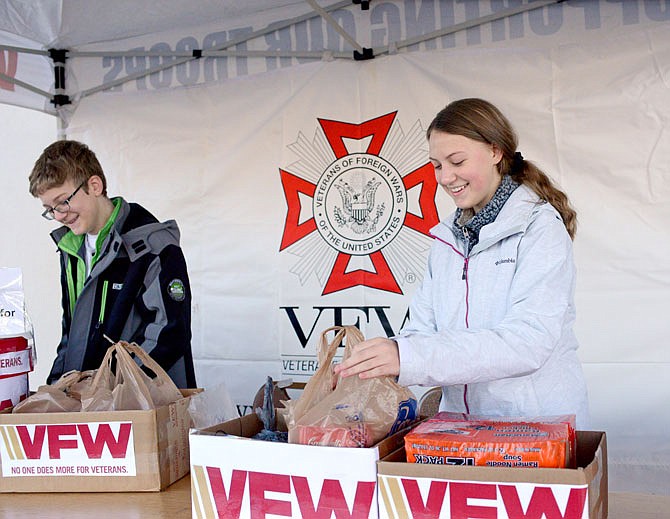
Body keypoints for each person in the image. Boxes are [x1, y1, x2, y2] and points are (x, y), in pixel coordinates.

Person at [335, 98, 590, 428]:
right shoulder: (447, 240)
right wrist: (368, 368)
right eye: (437, 165)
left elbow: (527, 343)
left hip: (536, 429)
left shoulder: (539, 229)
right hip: (462, 431)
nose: (445, 177)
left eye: (456, 161)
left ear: (496, 152)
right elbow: (421, 332)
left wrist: (407, 356)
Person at [28, 140, 197, 388]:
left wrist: (111, 390)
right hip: (91, 406)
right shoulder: (71, 248)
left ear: (94, 185)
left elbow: (170, 333)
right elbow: (71, 333)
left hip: (140, 404)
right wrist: (57, 389)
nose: (59, 216)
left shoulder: (153, 244)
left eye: (63, 202)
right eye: (49, 209)